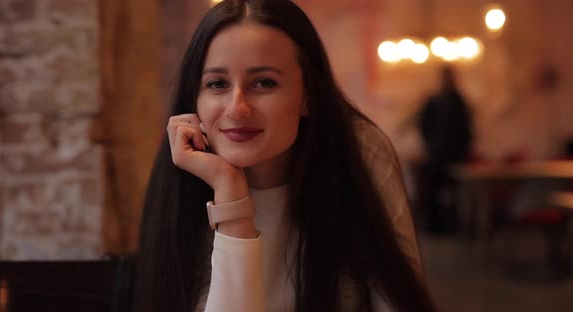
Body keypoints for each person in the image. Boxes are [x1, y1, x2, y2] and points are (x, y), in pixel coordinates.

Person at [127, 1, 436, 311]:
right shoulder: (186, 173)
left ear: (309, 97)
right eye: (217, 84)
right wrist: (230, 192)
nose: (237, 108)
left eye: (264, 82)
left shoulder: (360, 151)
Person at [416, 65, 473, 234]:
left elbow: (465, 128)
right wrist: (431, 146)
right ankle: (435, 226)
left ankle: (454, 226)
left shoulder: (458, 101)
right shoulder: (434, 101)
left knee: (457, 194)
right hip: (437, 155)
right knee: (433, 193)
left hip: (455, 156)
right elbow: (424, 126)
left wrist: (462, 149)